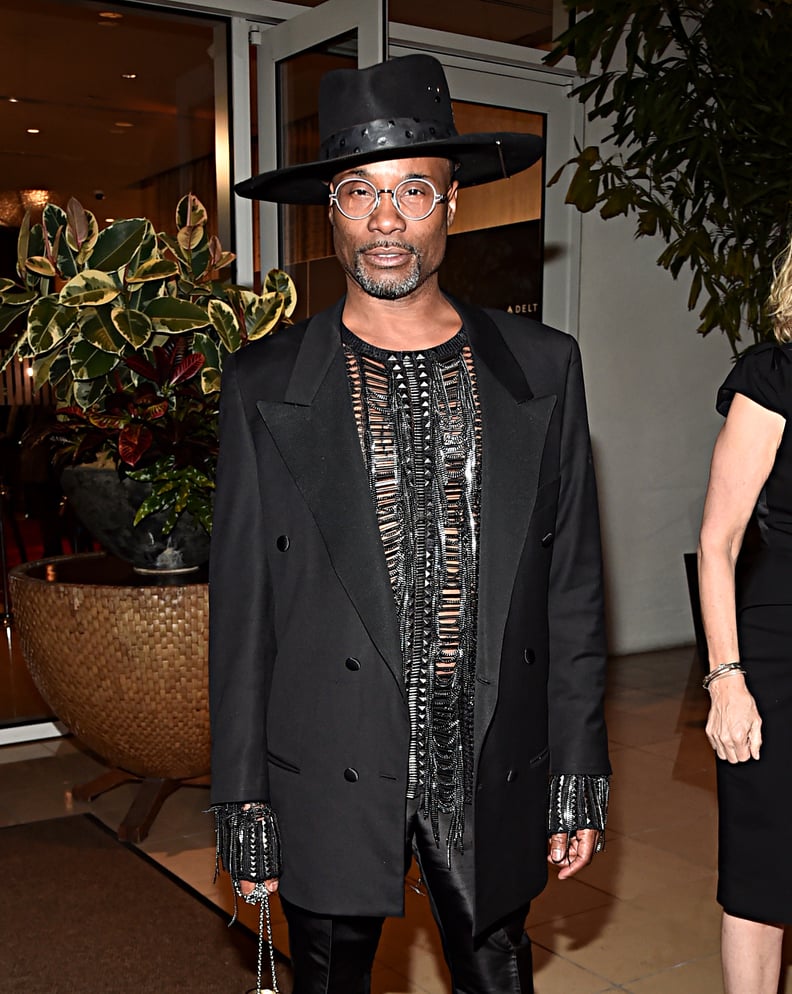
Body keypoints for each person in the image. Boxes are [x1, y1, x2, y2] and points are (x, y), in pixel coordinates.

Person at [209, 54, 610, 994]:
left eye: (412, 193)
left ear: (452, 203)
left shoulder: (543, 367)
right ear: (332, 210)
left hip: (489, 758)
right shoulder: (265, 387)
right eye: (360, 193)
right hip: (329, 757)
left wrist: (579, 764)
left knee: (497, 972)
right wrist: (242, 795)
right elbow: (241, 612)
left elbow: (574, 588)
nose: (386, 222)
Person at [698, 235, 792, 994]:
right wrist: (726, 680)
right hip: (778, 655)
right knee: (763, 879)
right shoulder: (774, 374)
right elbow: (719, 540)